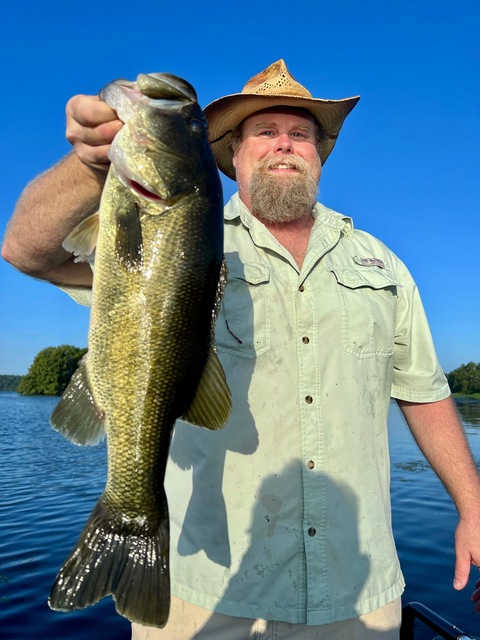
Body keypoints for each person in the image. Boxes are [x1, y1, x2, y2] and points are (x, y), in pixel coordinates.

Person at [3, 60, 480, 639]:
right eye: (264, 131)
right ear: (233, 152)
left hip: (354, 593)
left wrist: (473, 503)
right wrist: (88, 165)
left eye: (300, 133)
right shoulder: (173, 227)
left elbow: (425, 394)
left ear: (320, 153)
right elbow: (25, 251)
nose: (284, 143)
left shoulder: (383, 267)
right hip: (203, 590)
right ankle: (130, 523)